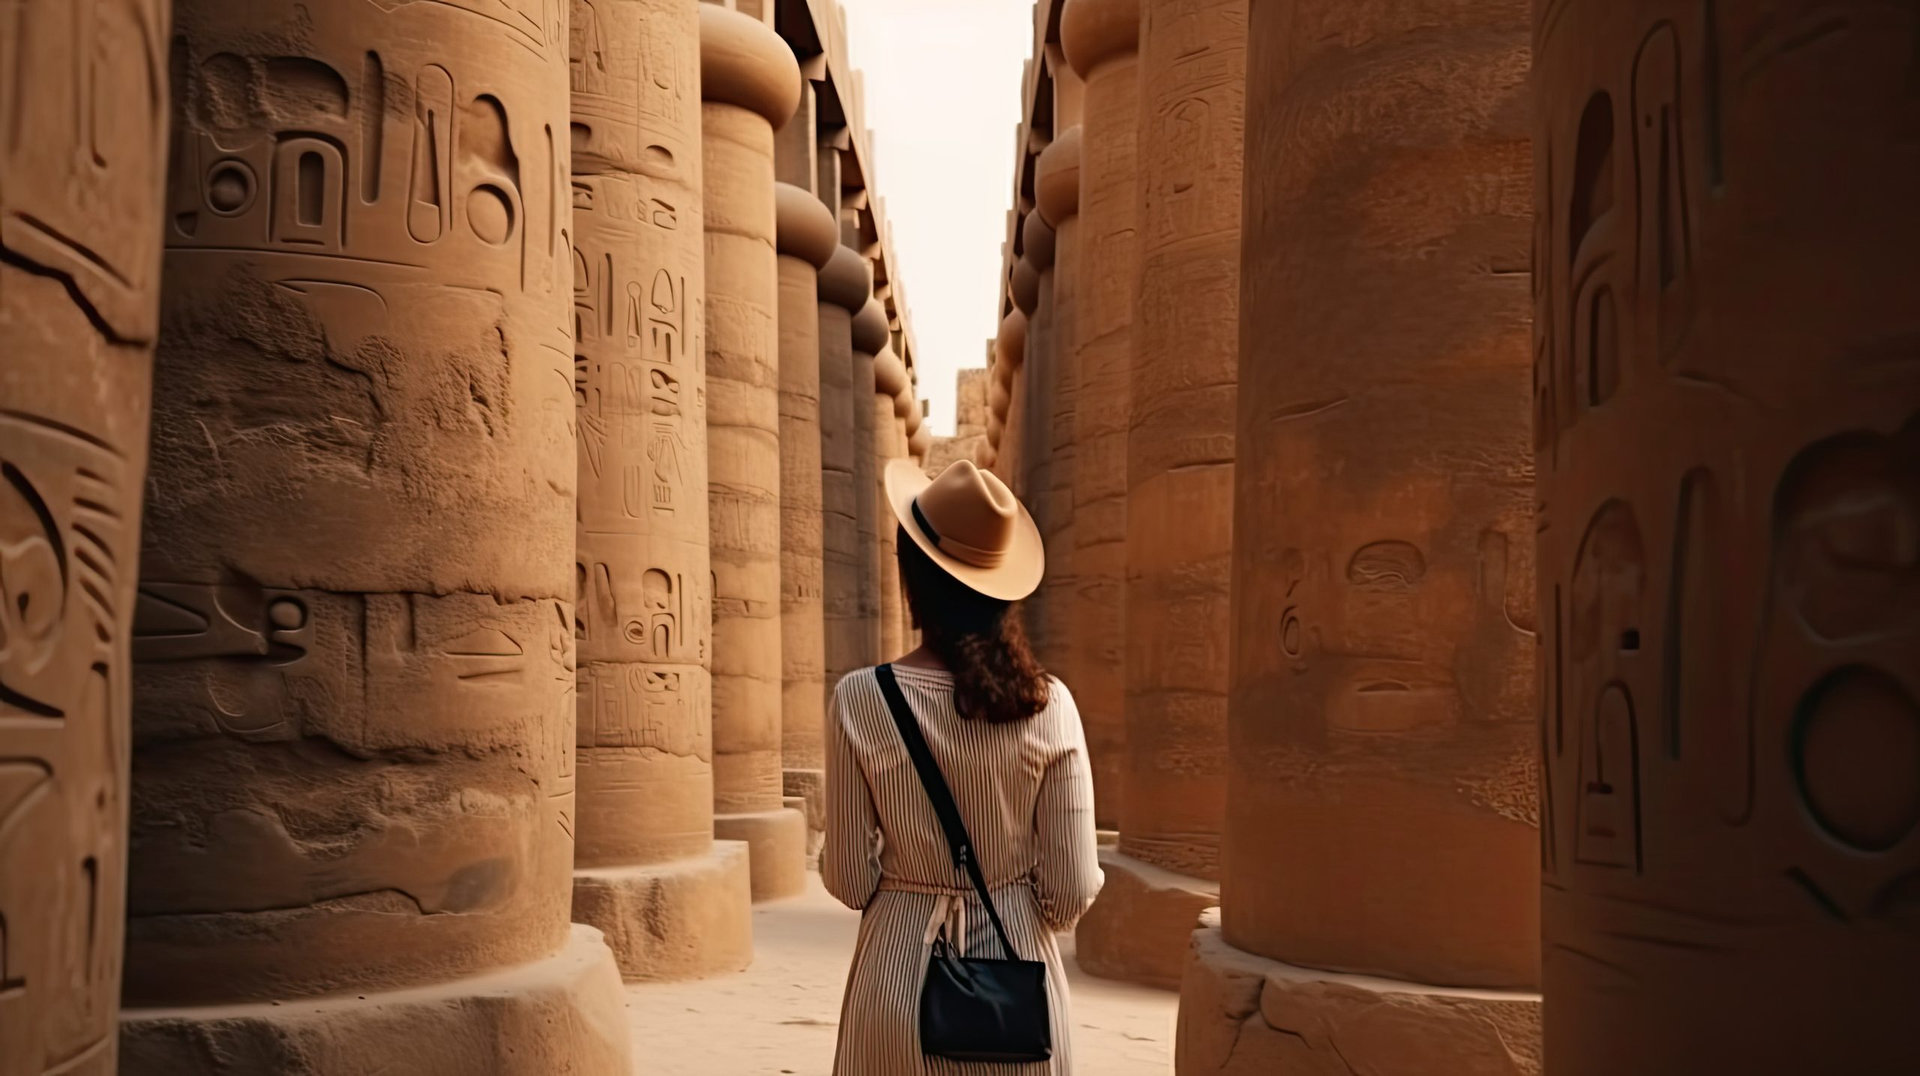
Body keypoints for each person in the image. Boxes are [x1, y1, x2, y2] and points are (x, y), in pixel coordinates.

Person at [822, 458, 1103, 1075]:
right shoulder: (1048, 706)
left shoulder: (861, 698)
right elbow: (1071, 890)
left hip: (896, 978)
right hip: (1015, 993)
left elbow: (847, 877)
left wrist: (911, 883)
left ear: (913, 579)